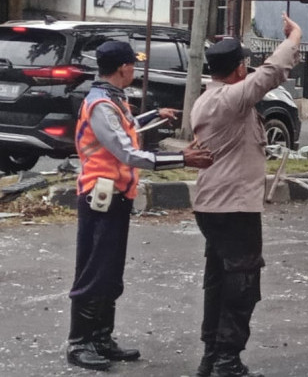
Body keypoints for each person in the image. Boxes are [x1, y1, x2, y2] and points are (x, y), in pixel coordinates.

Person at [66, 40, 213, 371]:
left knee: (110, 271)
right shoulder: (101, 106)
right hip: (99, 195)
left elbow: (126, 129)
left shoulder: (112, 100)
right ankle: (80, 343)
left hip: (117, 195)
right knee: (94, 269)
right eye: (133, 64)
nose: (135, 69)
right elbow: (126, 151)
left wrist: (153, 115)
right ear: (123, 68)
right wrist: (182, 158)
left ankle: (102, 338)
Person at [190, 13, 301, 377]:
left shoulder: (209, 99)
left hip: (215, 204)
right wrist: (293, 38)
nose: (249, 68)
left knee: (219, 280)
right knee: (242, 283)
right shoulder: (229, 100)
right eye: (245, 64)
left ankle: (212, 355)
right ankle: (227, 360)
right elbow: (270, 74)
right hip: (233, 207)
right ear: (238, 69)